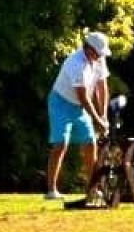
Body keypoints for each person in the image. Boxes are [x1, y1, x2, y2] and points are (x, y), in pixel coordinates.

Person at [46, 31, 111, 201]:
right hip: (61, 103)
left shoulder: (99, 59)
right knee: (61, 143)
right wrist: (97, 120)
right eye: (98, 52)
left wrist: (103, 116)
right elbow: (83, 98)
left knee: (90, 143)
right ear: (89, 49)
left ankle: (92, 188)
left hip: (80, 107)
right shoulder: (75, 63)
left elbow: (101, 87)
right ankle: (51, 191)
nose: (100, 56)